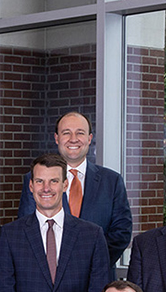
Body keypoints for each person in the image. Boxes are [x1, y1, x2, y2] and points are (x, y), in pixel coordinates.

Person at [0, 153, 110, 292]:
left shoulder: (92, 235)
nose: (46, 188)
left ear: (65, 184)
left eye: (53, 181)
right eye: (40, 181)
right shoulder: (10, 235)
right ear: (31, 186)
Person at [18, 111, 131, 268]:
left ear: (89, 139)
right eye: (66, 133)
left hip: (98, 281)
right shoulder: (35, 180)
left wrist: (90, 264)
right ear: (56, 138)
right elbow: (28, 231)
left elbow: (121, 233)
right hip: (49, 279)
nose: (73, 139)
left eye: (80, 133)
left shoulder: (112, 181)